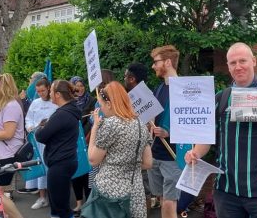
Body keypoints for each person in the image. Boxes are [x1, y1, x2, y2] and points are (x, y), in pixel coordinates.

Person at [184, 42, 257, 218]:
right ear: (228, 67)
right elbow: (207, 139)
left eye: (242, 61)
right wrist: (195, 153)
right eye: (233, 63)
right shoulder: (221, 98)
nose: (238, 67)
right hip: (227, 192)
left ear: (253, 61)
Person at [88, 81, 153, 218]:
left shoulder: (110, 124)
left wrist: (94, 128)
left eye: (101, 104)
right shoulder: (140, 124)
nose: (102, 109)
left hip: (110, 192)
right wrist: (128, 164)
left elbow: (93, 160)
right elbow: (148, 163)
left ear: (109, 104)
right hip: (135, 191)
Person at [35, 80, 81, 218]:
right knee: (60, 205)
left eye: (51, 91)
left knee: (59, 208)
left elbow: (41, 136)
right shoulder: (69, 111)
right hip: (65, 161)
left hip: (60, 164)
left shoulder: (62, 114)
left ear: (58, 94)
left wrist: (40, 127)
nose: (49, 94)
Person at [148, 45, 182, 218]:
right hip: (156, 154)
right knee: (163, 199)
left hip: (173, 156)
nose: (153, 66)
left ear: (168, 62)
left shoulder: (186, 89)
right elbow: (153, 118)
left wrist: (170, 133)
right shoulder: (159, 88)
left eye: (156, 62)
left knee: (170, 201)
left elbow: (195, 123)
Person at [0, 73, 24, 218]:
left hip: (7, 155)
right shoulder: (3, 106)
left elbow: (8, 133)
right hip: (0, 154)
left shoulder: (11, 105)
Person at [24, 77, 58, 210]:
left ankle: (54, 197)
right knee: (41, 169)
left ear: (49, 88)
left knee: (52, 170)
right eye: (38, 91)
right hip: (38, 142)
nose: (41, 94)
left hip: (52, 142)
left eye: (43, 91)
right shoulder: (35, 103)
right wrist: (32, 127)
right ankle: (42, 197)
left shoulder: (55, 103)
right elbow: (28, 119)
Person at [69, 76, 93, 215]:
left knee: (88, 173)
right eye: (76, 86)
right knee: (76, 173)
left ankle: (89, 203)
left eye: (82, 85)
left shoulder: (91, 100)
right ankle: (78, 203)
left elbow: (92, 121)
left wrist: (88, 137)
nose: (80, 88)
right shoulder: (70, 103)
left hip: (88, 140)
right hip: (74, 141)